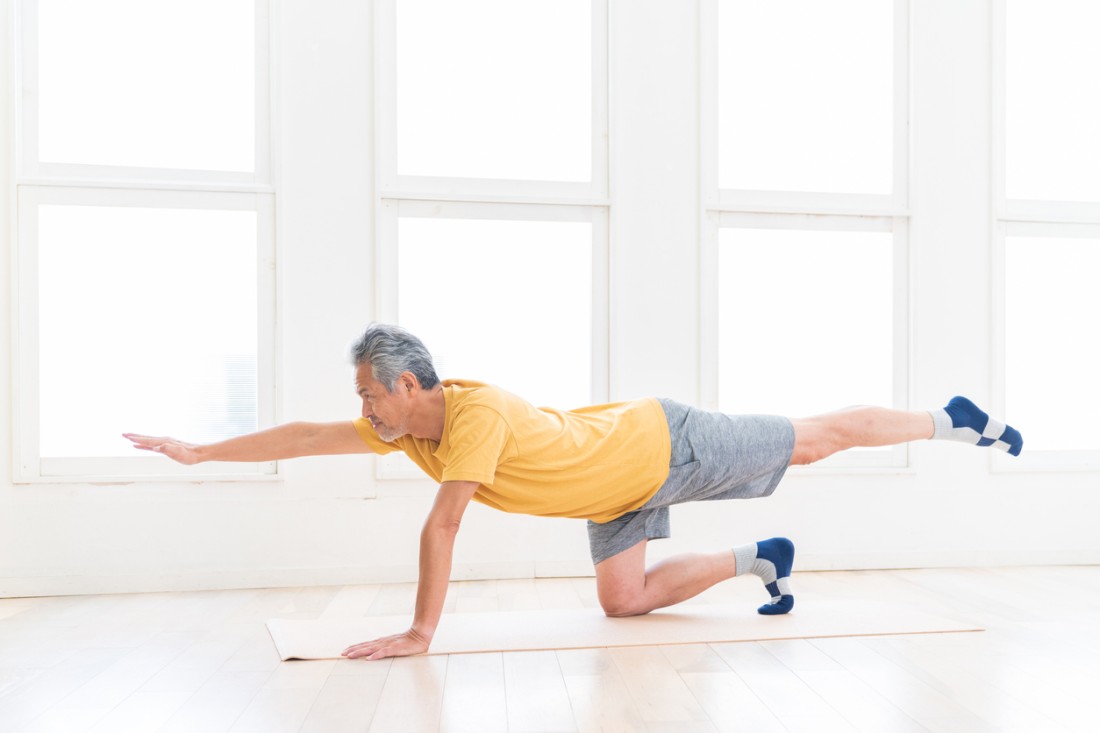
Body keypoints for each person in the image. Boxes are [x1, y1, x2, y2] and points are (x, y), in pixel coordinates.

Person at [124, 323, 1024, 660]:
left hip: (661, 439)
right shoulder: (407, 429)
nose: (359, 409)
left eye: (369, 392)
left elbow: (443, 530)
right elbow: (304, 437)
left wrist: (420, 631)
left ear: (410, 384)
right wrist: (200, 451)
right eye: (360, 395)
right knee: (623, 602)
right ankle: (763, 560)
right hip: (613, 492)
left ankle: (950, 419)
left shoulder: (466, 418)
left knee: (818, 440)